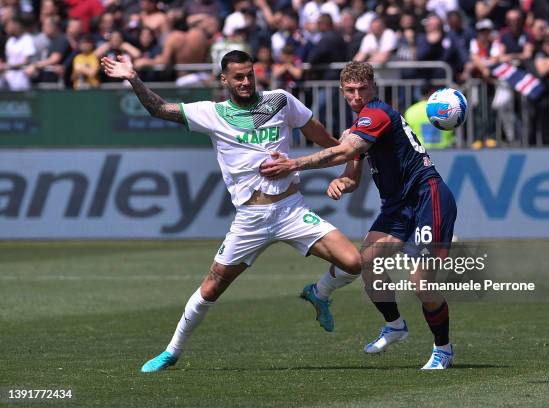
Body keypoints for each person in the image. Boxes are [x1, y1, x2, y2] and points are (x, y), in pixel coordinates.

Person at [101, 50, 362, 373]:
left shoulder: (280, 101)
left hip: (291, 210)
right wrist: (133, 78)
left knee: (352, 263)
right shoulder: (210, 113)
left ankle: (319, 293)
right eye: (238, 76)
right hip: (251, 219)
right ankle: (171, 351)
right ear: (223, 79)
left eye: (250, 74)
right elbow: (158, 108)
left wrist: (348, 154)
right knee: (212, 286)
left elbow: (326, 142)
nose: (246, 81)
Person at [260, 61, 457, 369]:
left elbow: (344, 152)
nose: (356, 96)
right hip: (396, 206)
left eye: (362, 89)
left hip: (427, 196)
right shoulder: (356, 128)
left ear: (373, 88)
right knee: (368, 264)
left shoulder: (377, 114)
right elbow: (351, 175)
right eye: (350, 90)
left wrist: (293, 164)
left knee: (421, 282)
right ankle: (394, 326)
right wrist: (341, 182)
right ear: (342, 91)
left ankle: (443, 349)